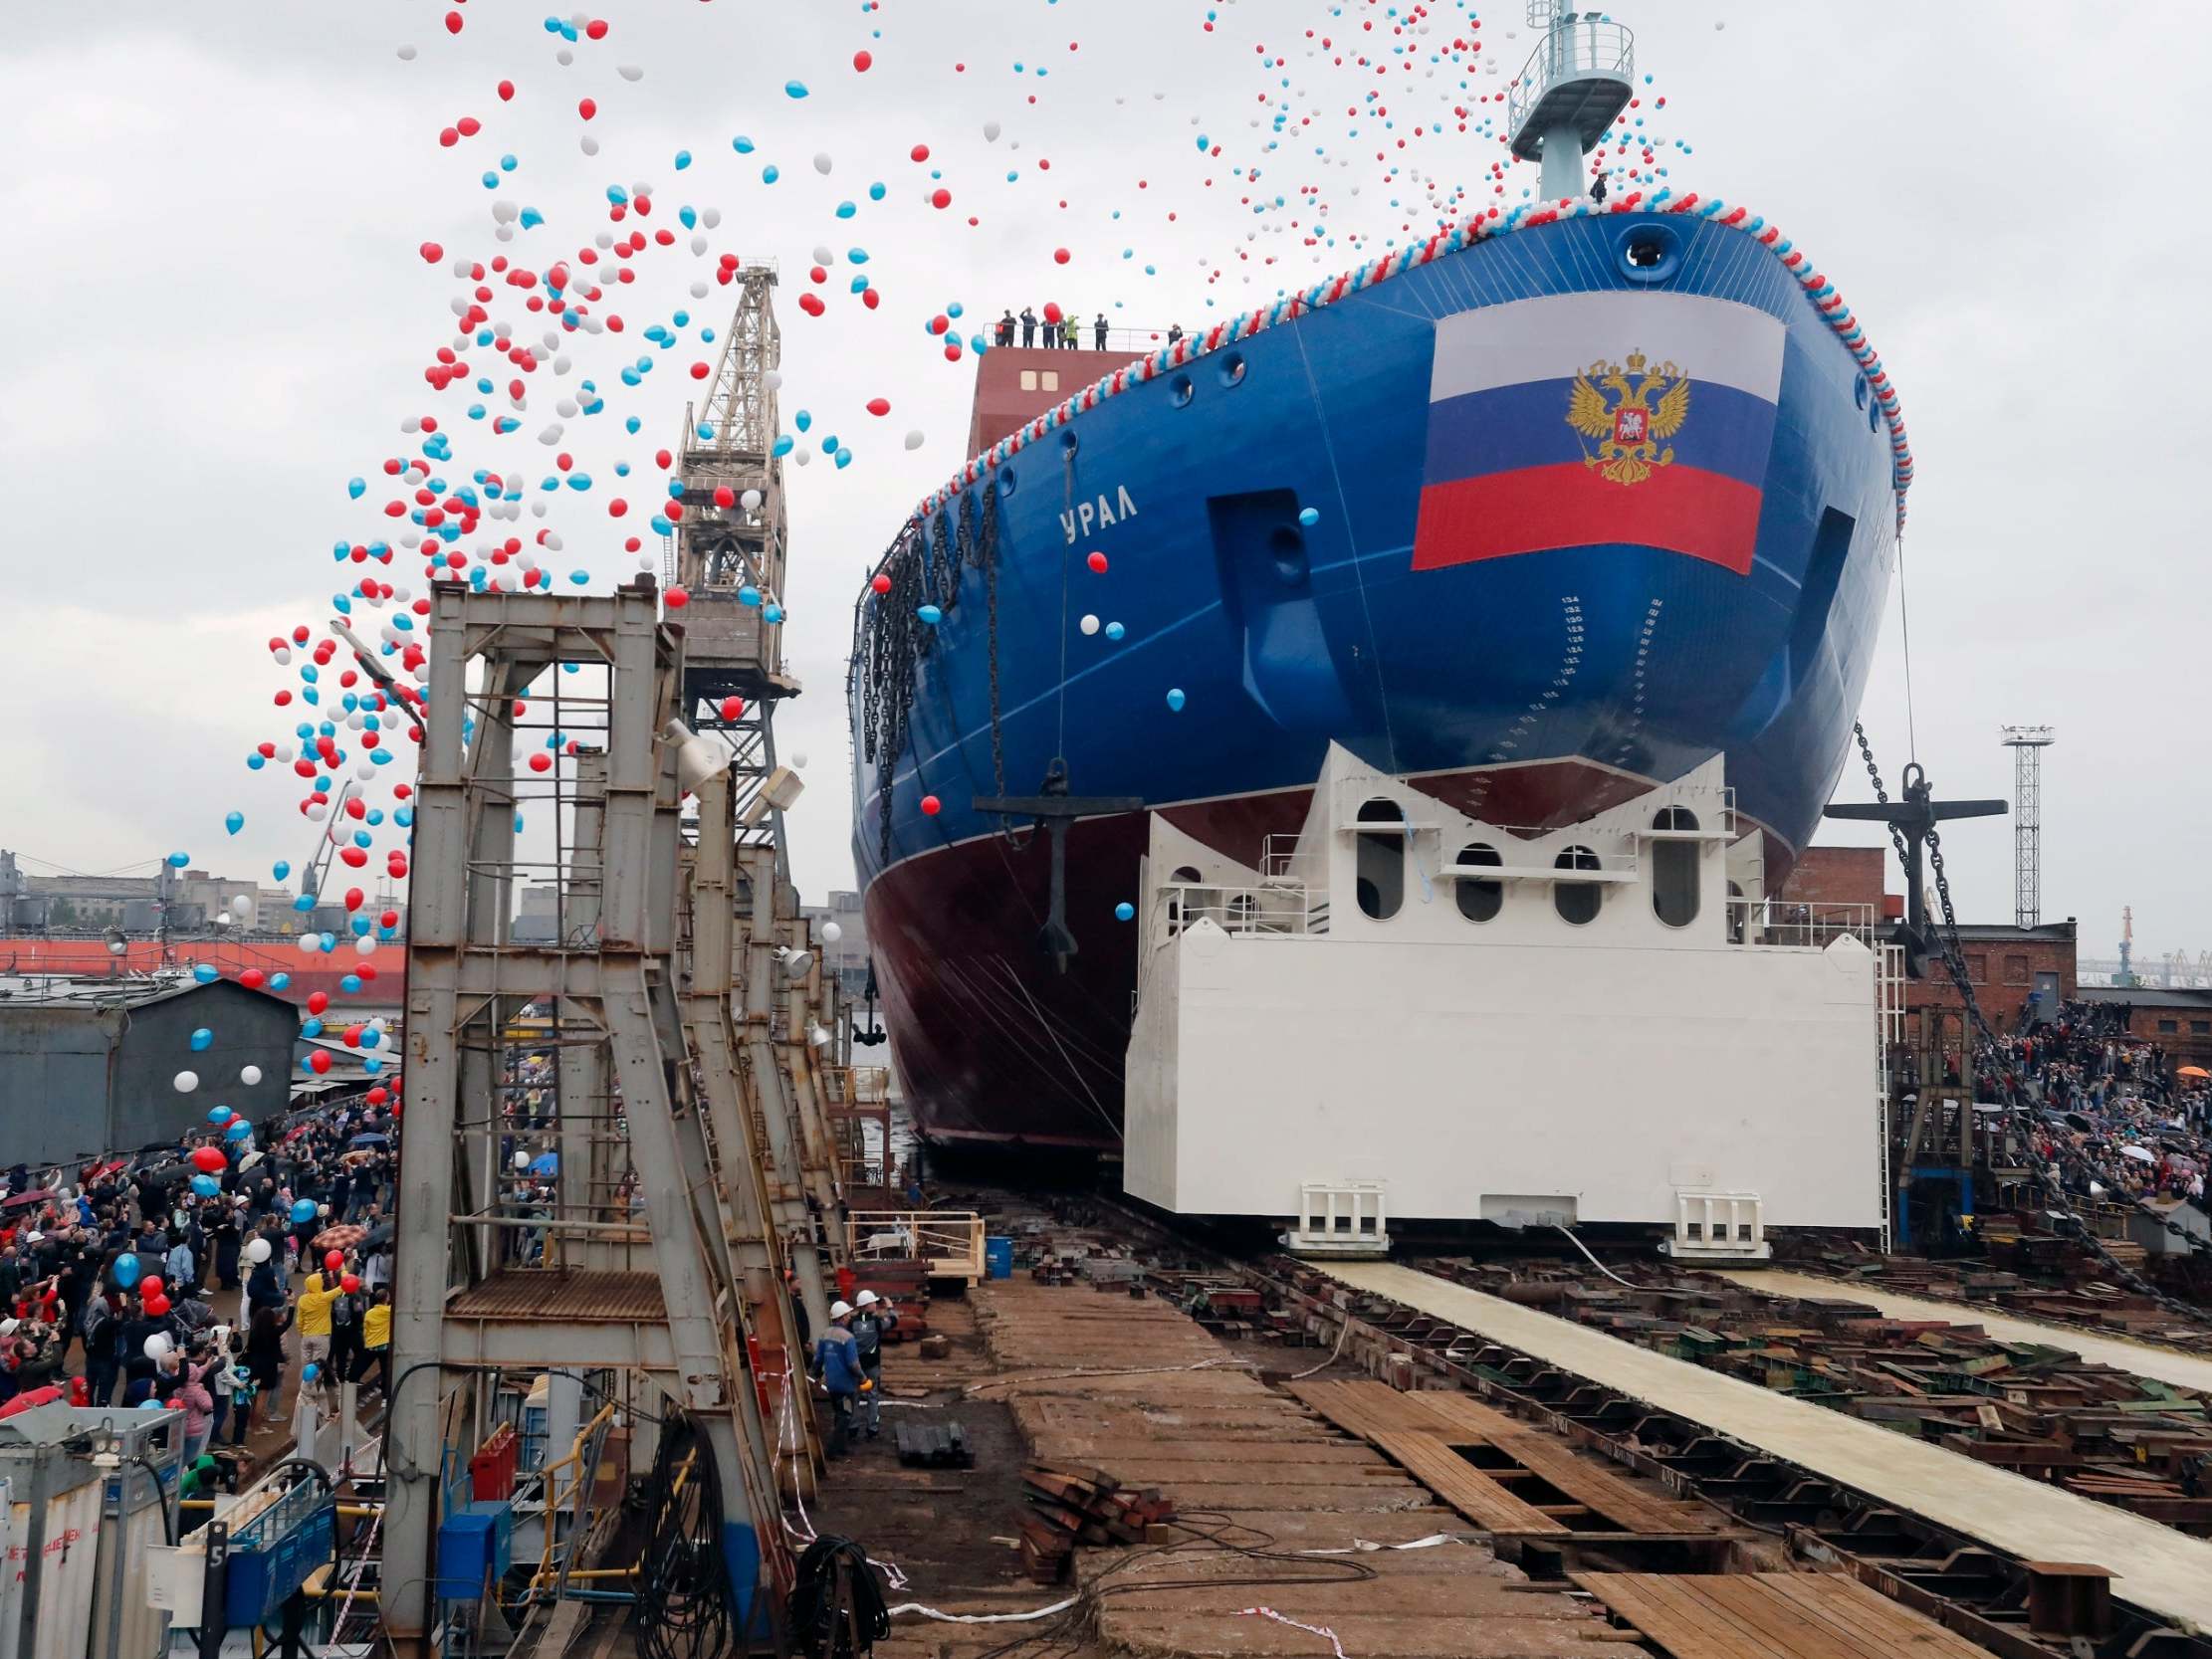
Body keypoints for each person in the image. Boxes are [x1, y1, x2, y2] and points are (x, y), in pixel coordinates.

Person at [808, 1300, 863, 1457]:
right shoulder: (848, 1337)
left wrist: (816, 1376)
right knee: (845, 1416)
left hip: (831, 1384)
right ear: (843, 1317)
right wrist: (863, 1378)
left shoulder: (825, 1335)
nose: (849, 1318)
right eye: (848, 1315)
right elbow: (853, 1364)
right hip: (846, 1385)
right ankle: (832, 1449)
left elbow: (818, 1360)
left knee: (839, 1414)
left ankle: (841, 1447)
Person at [850, 1290, 899, 1441]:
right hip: (872, 1366)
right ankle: (872, 1429)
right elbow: (893, 1321)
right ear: (866, 1305)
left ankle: (853, 1428)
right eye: (873, 1303)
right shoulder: (877, 1323)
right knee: (872, 1396)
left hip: (855, 1366)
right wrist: (890, 1307)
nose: (876, 1305)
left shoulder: (851, 1323)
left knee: (854, 1397)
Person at [245, 1302, 292, 1426]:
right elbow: (287, 1324)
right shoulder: (273, 1332)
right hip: (268, 1367)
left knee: (254, 1397)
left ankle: (252, 1424)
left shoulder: (254, 1332)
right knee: (261, 1399)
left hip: (254, 1365)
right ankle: (256, 1427)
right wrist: (291, 1306)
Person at [295, 1269, 336, 1384]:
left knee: (305, 1366)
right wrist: (342, 1270)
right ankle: (314, 1392)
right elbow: (342, 1288)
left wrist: (301, 1334)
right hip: (321, 1337)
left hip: (306, 1336)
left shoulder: (302, 1299)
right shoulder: (325, 1297)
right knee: (318, 1367)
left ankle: (303, 1390)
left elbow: (299, 1320)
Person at [357, 1288, 392, 1395]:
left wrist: (367, 1341)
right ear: (386, 1298)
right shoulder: (389, 1311)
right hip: (384, 1346)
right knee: (385, 1372)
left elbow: (366, 1330)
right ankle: (385, 1397)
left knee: (361, 1366)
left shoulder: (369, 1313)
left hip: (371, 1346)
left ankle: (350, 1385)